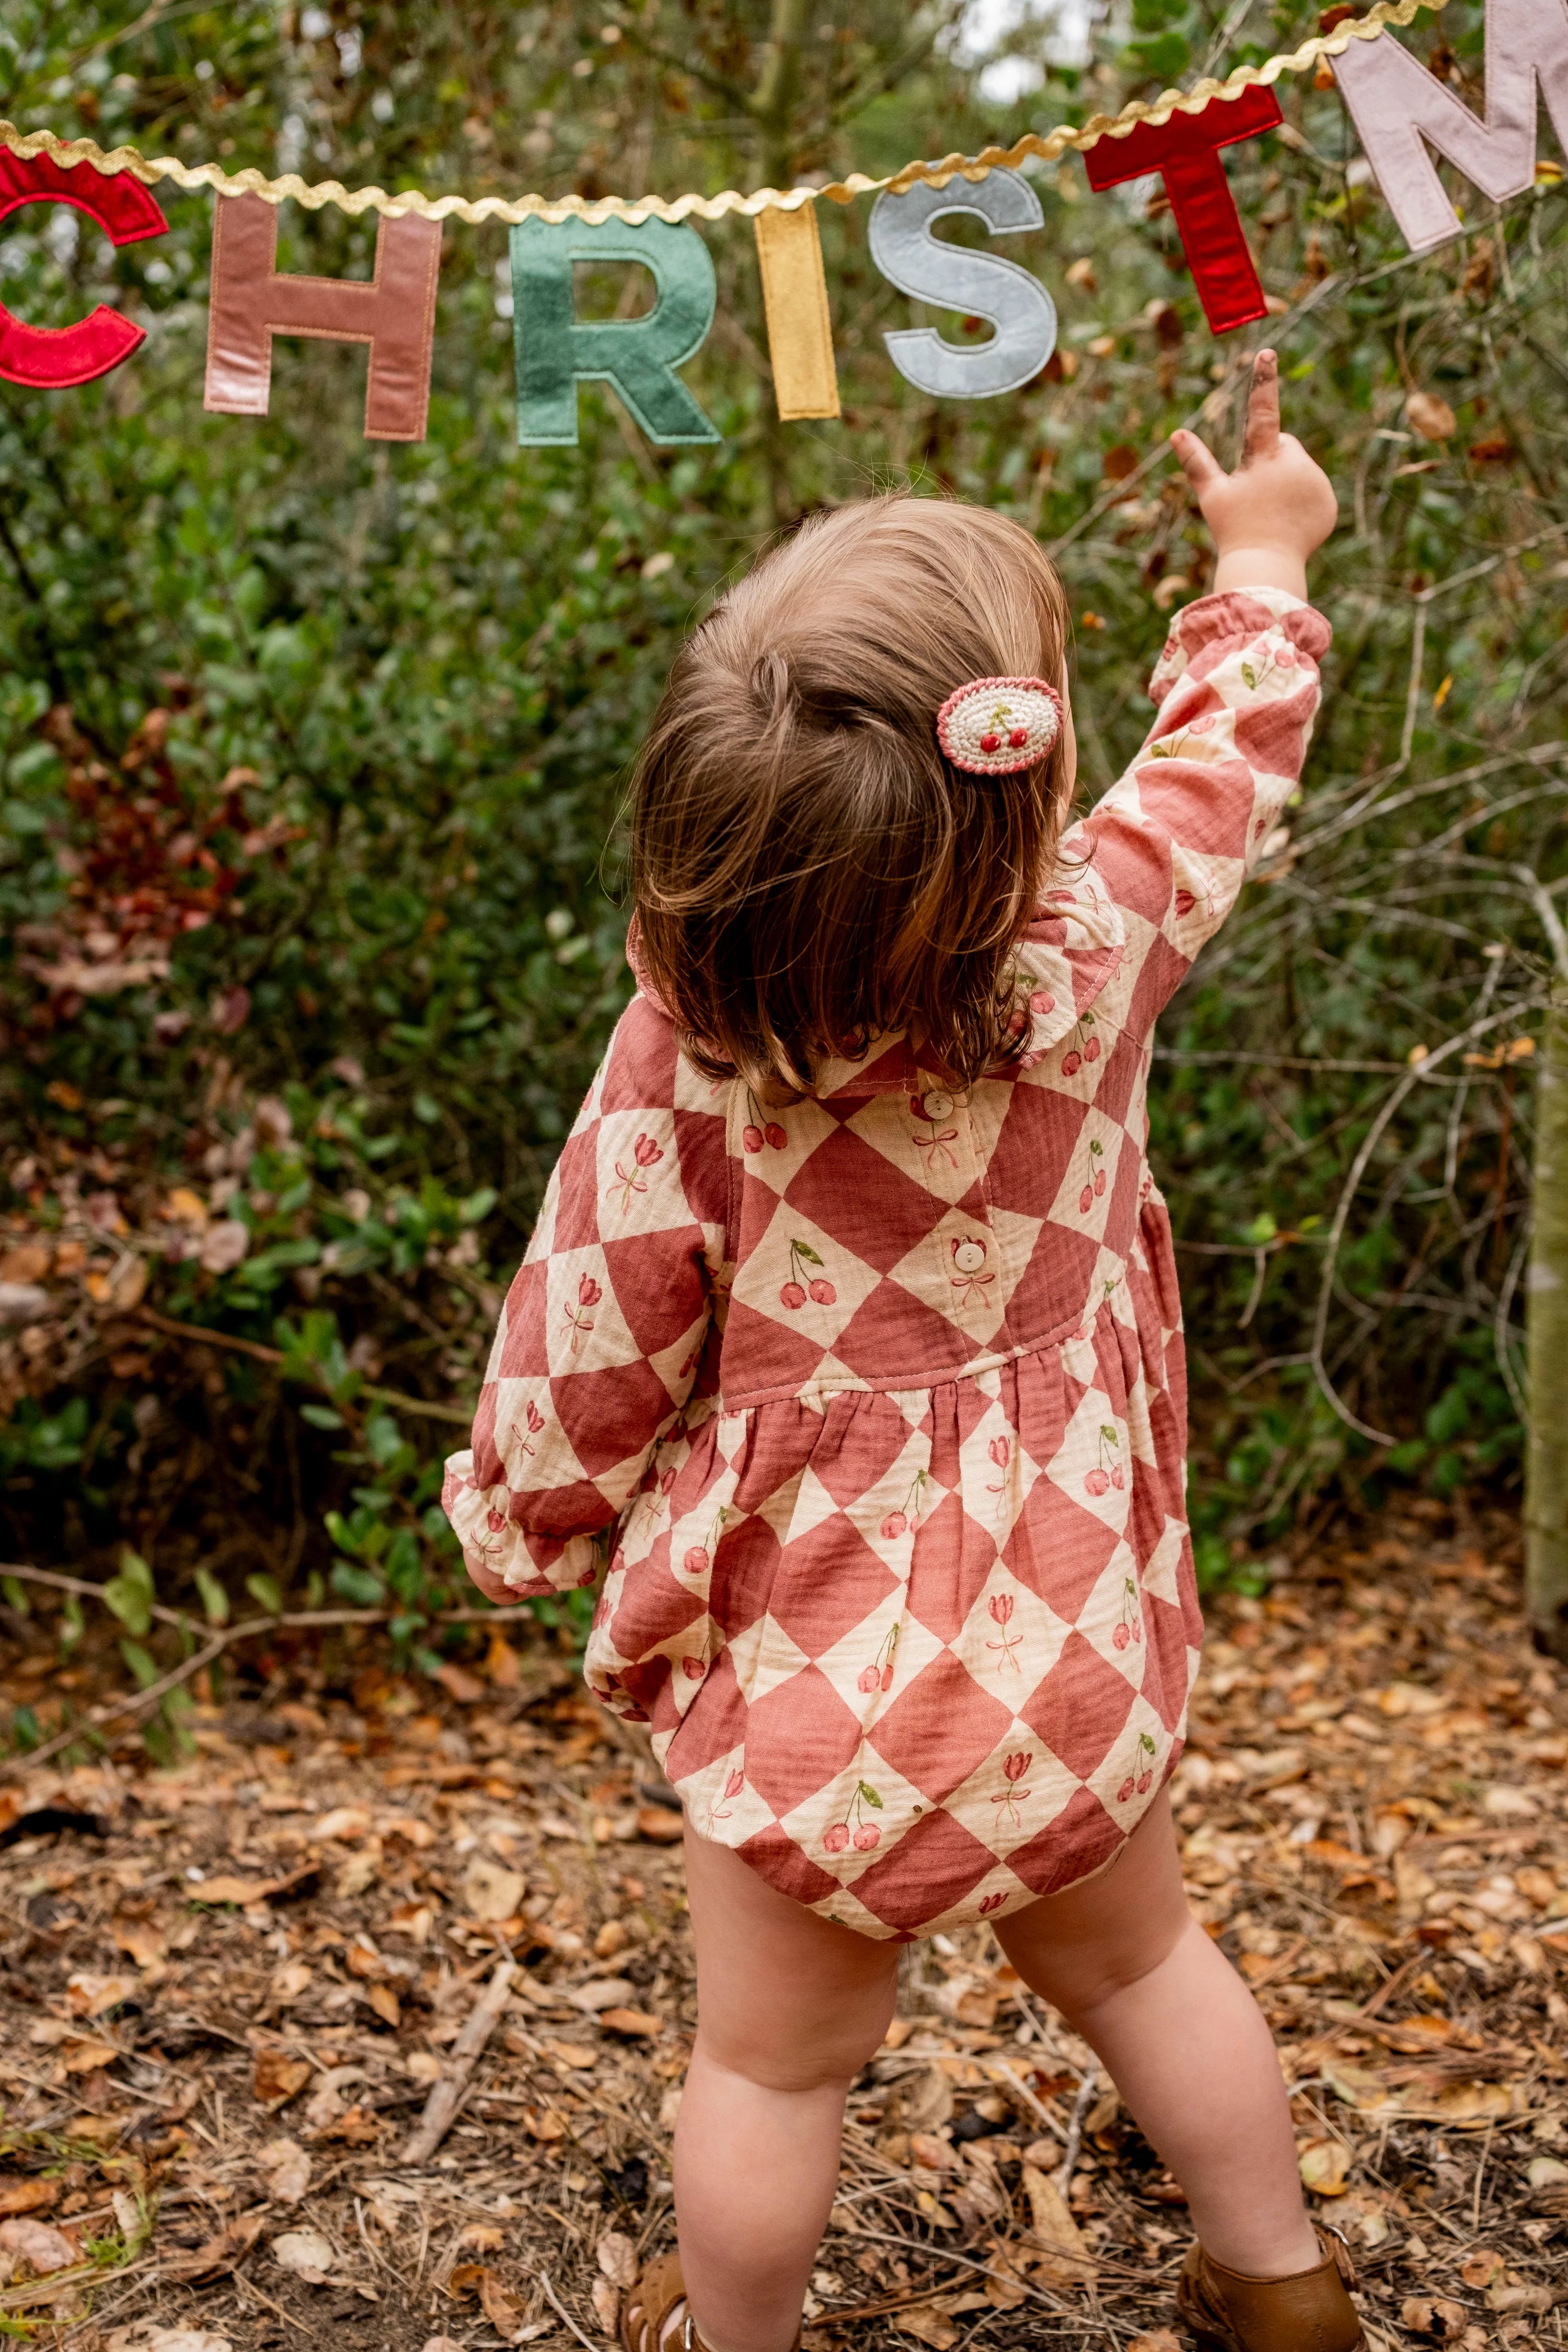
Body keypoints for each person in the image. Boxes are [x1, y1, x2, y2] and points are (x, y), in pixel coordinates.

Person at [444, 351, 1354, 2352]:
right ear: (1017, 778)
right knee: (1146, 1965)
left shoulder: (694, 1055)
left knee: (772, 2071)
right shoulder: (1102, 938)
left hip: (816, 1672)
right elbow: (1227, 752)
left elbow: (586, 1321)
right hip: (1068, 1621)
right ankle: (1282, 2289)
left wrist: (520, 1520)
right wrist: (1263, 551)